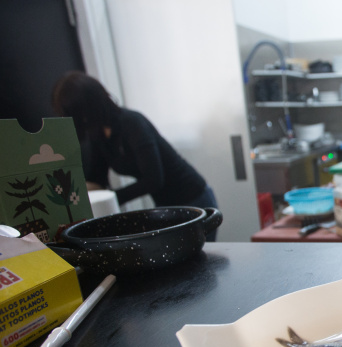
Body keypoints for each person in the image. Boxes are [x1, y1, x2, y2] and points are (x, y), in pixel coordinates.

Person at [52, 71, 219, 240]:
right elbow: (98, 180)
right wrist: (70, 189)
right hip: (166, 206)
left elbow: (154, 179)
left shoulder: (132, 123)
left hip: (193, 198)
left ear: (87, 107)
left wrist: (112, 198)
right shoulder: (99, 135)